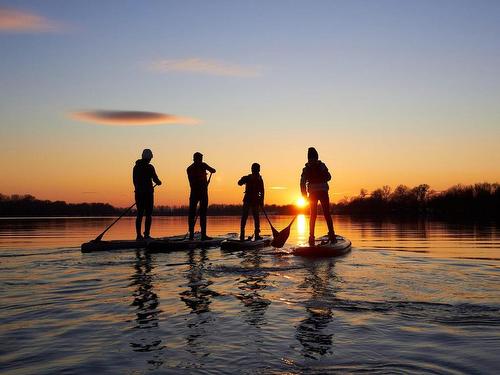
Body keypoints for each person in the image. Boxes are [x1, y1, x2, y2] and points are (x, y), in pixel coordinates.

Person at [300, 147, 336, 246]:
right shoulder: (321, 166)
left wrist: (304, 195)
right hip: (321, 192)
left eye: (312, 158)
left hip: (315, 193)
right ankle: (331, 236)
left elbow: (302, 183)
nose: (312, 160)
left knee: (314, 215)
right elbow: (329, 177)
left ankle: (312, 237)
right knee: (325, 214)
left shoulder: (306, 169)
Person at [133, 149, 162, 240]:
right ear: (149, 157)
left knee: (140, 214)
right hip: (148, 194)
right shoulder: (150, 167)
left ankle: (138, 236)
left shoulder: (136, 167)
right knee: (148, 214)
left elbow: (134, 181)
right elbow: (156, 180)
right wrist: (159, 182)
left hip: (138, 194)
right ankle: (146, 235)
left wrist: (139, 190)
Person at [186, 152, 216, 240]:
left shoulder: (189, 168)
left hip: (194, 193)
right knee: (203, 214)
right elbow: (213, 170)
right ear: (198, 158)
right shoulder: (203, 165)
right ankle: (203, 235)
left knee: (191, 213)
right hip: (202, 193)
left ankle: (191, 235)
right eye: (201, 158)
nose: (201, 160)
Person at [238, 163, 265, 241]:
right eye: (253, 168)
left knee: (256, 217)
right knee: (245, 216)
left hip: (255, 201)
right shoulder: (248, 177)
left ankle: (257, 235)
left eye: (255, 168)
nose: (254, 170)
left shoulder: (260, 179)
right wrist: (243, 179)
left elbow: (262, 191)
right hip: (248, 200)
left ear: (258, 170)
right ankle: (242, 235)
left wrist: (261, 201)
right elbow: (239, 183)